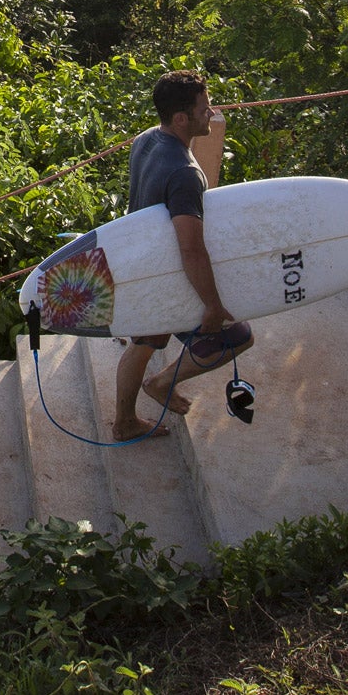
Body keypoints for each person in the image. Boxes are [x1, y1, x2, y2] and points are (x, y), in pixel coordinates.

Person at [111, 70, 254, 442]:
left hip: (143, 266)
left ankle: (124, 421)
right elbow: (190, 248)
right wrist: (211, 304)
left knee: (144, 343)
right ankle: (162, 383)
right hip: (171, 278)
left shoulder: (145, 140)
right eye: (204, 109)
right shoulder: (186, 173)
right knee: (237, 337)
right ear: (181, 118)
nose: (212, 114)